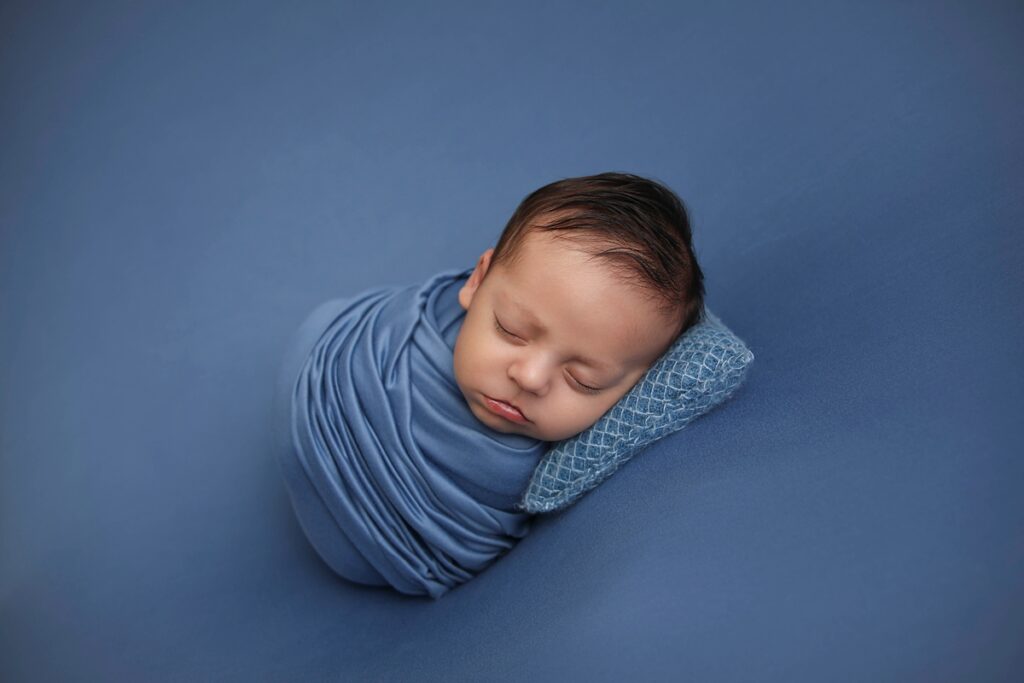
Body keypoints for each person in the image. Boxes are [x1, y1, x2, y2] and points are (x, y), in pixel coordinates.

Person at [453, 171, 706, 442]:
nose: (531, 378)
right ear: (478, 281)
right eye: (510, 329)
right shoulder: (410, 319)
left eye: (583, 380)